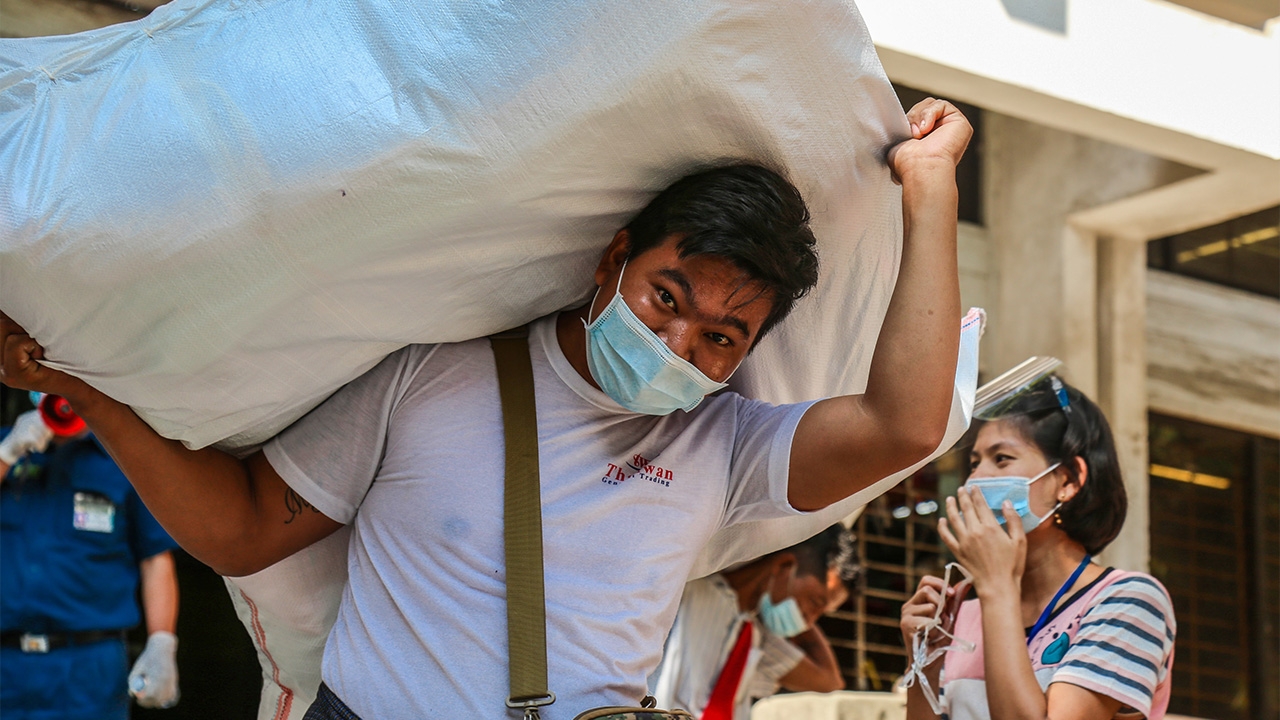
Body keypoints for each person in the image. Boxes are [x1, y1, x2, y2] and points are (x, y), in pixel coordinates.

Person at [1, 97, 971, 718]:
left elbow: (905, 425)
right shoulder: (436, 370)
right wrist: (88, 388)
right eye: (665, 298)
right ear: (611, 260)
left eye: (720, 337)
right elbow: (248, 527)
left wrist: (930, 193)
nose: (679, 344)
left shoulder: (723, 440)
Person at [899, 377, 1176, 720]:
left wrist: (998, 587)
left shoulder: (1128, 600)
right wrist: (923, 662)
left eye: (1001, 459)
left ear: (1069, 480)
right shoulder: (962, 611)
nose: (975, 481)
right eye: (974, 463)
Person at [0, 404, 181, 719]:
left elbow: (155, 560)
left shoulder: (124, 459)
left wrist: (161, 642)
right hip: (6, 660)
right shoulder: (7, 443)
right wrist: (5, 454)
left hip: (89, 664)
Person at [650, 525, 852, 720]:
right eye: (815, 602)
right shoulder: (689, 586)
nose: (809, 622)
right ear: (784, 566)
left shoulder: (753, 636)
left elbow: (829, 680)